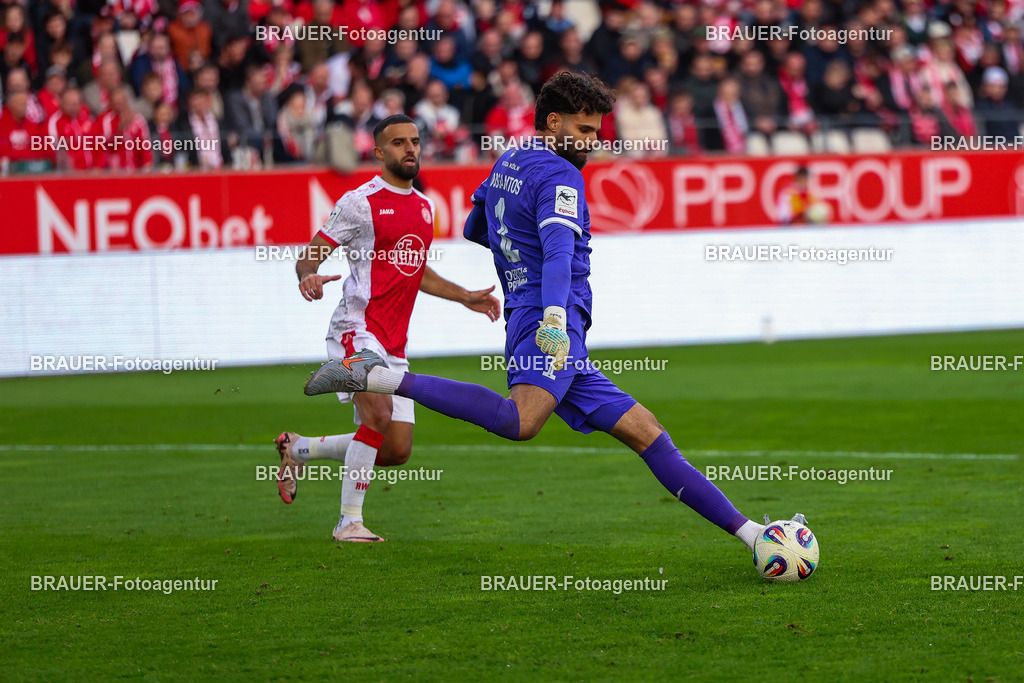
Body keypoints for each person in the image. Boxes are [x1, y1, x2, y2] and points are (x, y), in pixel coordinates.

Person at [305, 72, 793, 555]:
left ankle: (752, 535)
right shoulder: (562, 176)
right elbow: (559, 253)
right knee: (519, 422)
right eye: (583, 130)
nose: (592, 141)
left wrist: (519, 256)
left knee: (649, 435)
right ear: (553, 121)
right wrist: (555, 319)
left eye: (597, 132)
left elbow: (479, 227)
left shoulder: (509, 160)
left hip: (538, 318)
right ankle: (384, 377)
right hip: (550, 323)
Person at [275, 114, 501, 543]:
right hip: (355, 328)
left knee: (395, 449)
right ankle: (348, 522)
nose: (410, 149)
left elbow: (415, 271)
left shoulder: (423, 207)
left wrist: (466, 296)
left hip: (393, 342)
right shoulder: (360, 203)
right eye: (398, 143)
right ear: (379, 152)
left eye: (414, 141)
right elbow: (310, 255)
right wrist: (307, 276)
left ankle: (298, 449)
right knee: (376, 415)